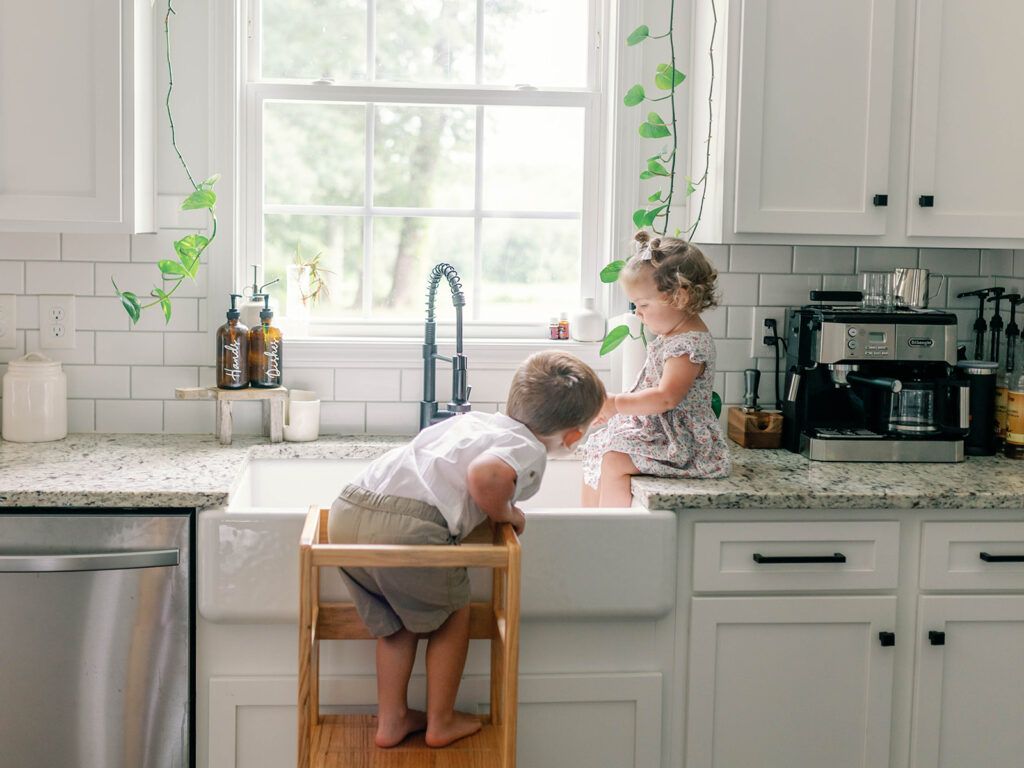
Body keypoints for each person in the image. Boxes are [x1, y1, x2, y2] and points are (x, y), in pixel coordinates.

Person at [327, 350, 605, 749]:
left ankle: (393, 720)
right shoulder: (529, 448)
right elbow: (486, 475)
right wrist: (506, 513)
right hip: (407, 527)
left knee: (395, 623)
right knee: (454, 614)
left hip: (348, 510)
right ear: (574, 436)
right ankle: (440, 721)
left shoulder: (475, 421)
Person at [582, 230, 730, 507]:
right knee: (597, 446)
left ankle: (603, 534)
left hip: (684, 444)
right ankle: (586, 527)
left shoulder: (688, 346)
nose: (638, 313)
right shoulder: (673, 337)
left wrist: (616, 403)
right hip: (665, 434)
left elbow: (665, 398)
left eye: (643, 305)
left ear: (680, 298)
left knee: (613, 461)